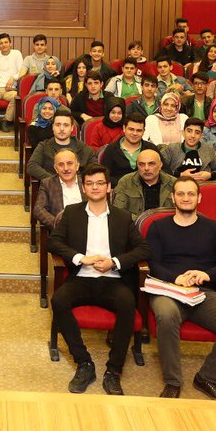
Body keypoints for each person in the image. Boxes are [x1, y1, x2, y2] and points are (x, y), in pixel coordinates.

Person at [48, 164, 151, 395]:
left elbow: (144, 249)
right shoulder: (72, 213)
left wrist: (114, 261)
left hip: (112, 279)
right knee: (59, 301)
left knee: (127, 303)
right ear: (84, 188)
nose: (95, 187)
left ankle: (113, 371)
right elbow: (53, 242)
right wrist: (79, 258)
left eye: (100, 183)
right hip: (81, 278)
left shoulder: (122, 217)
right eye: (90, 183)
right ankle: (84, 362)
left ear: (109, 187)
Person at [146, 178, 216, 400]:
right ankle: (173, 381)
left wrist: (207, 274)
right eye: (180, 194)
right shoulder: (158, 226)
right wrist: (177, 278)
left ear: (199, 198)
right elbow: (152, 263)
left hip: (202, 293)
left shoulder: (213, 228)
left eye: (190, 194)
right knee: (166, 314)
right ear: (172, 197)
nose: (185, 198)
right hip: (168, 290)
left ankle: (207, 378)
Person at [27, 110, 93, 182]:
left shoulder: (85, 148)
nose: (62, 129)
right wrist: (56, 181)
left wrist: (75, 182)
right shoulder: (43, 146)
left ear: (72, 128)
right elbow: (32, 166)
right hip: (52, 188)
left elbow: (95, 170)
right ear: (53, 127)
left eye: (66, 125)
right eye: (58, 125)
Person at [112, 149, 177, 216]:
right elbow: (119, 211)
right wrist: (141, 222)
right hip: (134, 224)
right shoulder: (126, 182)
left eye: (151, 164)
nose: (146, 168)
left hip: (165, 224)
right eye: (142, 164)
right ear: (137, 165)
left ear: (160, 165)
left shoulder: (174, 184)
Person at [99, 113, 159, 186]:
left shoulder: (151, 148)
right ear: (124, 128)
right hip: (119, 191)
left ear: (143, 131)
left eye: (139, 130)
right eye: (131, 129)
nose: (134, 133)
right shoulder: (112, 149)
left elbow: (165, 171)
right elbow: (104, 176)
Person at [33, 148, 84, 230]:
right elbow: (39, 210)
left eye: (70, 163)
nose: (66, 168)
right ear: (56, 168)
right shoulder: (48, 183)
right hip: (61, 232)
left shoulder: (87, 182)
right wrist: (58, 225)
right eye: (61, 165)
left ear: (77, 166)